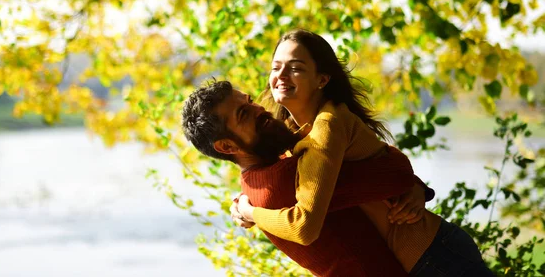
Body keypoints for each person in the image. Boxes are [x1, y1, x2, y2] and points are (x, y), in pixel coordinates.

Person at [232, 29, 493, 277]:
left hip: (433, 255)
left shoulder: (327, 125)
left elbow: (305, 221)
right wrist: (242, 201)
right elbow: (288, 181)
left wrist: (251, 212)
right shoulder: (293, 131)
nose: (282, 75)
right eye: (276, 67)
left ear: (322, 79)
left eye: (296, 68)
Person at [182, 80, 425, 276]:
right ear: (225, 146)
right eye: (244, 113)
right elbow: (396, 174)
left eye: (251, 101)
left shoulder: (253, 184)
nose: (261, 109)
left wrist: (242, 208)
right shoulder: (287, 178)